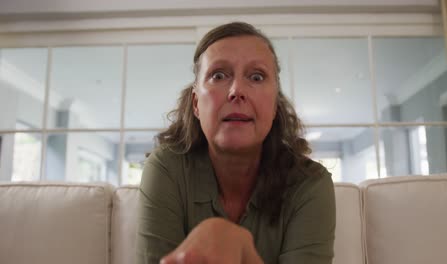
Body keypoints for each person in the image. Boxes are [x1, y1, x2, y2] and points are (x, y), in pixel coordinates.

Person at [136, 21, 336, 264]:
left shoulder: (310, 183)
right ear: (196, 103)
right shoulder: (166, 169)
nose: (237, 90)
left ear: (275, 106)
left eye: (256, 76)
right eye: (218, 75)